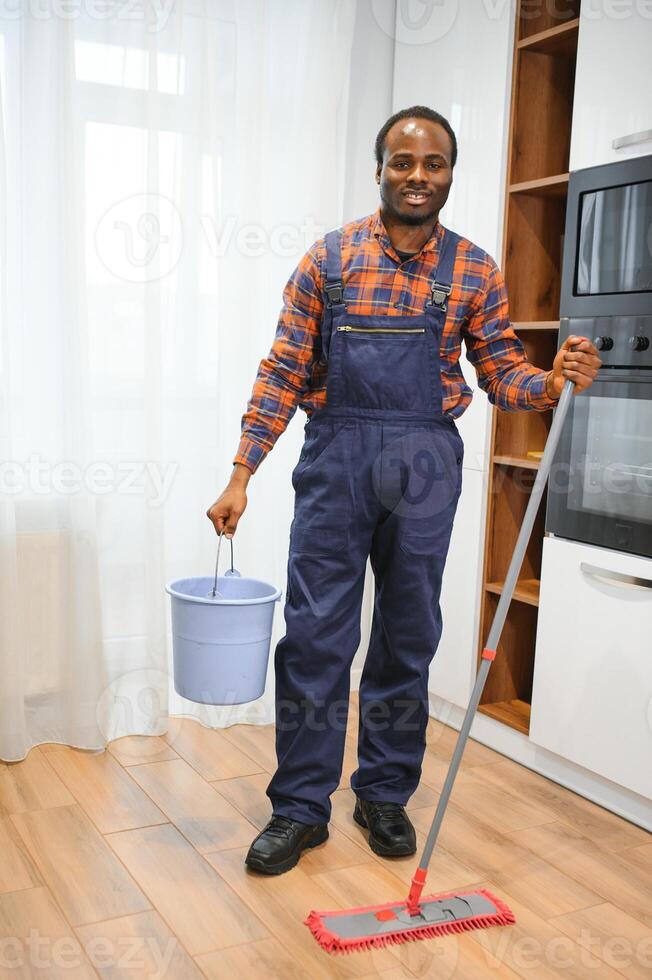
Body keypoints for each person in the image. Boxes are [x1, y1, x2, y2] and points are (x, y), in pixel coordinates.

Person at [207, 106, 601, 875]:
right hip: (337, 458)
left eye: (435, 164)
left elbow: (501, 374)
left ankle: (383, 792)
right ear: (380, 167)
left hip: (426, 463)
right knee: (316, 635)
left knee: (407, 632)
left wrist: (553, 381)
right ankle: (299, 807)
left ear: (451, 173)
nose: (418, 177)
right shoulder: (330, 259)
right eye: (403, 162)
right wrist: (241, 472)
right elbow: (283, 370)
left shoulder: (474, 269)